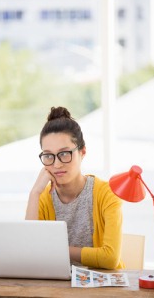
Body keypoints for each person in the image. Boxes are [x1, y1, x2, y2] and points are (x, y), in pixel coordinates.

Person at [25, 106, 124, 269]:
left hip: (102, 287)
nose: (56, 164)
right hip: (57, 287)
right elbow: (29, 253)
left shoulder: (107, 194)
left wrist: (57, 250)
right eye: (48, 155)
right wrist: (34, 193)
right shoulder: (43, 198)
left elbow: (110, 258)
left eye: (64, 153)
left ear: (82, 152)